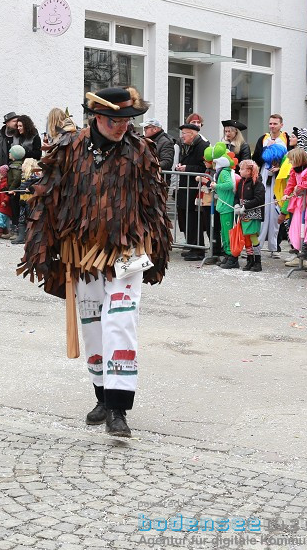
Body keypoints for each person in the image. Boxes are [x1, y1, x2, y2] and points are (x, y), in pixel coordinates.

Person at [19, 87, 171, 438]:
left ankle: (119, 407)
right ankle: (102, 394)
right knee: (91, 324)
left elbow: (155, 204)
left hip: (127, 250)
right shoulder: (70, 148)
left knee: (121, 321)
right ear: (98, 117)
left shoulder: (141, 151)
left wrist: (157, 248)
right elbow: (49, 198)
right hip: (81, 251)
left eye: (127, 121)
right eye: (116, 120)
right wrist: (44, 246)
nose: (123, 127)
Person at [252, 114, 290, 253]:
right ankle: (258, 245)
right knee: (263, 209)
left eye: (275, 123)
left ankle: (274, 246)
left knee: (275, 212)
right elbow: (256, 158)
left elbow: (290, 160)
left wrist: (280, 168)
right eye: (270, 123)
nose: (272, 126)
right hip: (264, 175)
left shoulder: (286, 139)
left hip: (279, 179)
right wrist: (265, 150)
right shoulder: (263, 139)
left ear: (281, 125)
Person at [175, 124, 210, 261]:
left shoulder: (202, 146)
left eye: (184, 133)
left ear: (192, 134)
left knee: (194, 219)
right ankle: (192, 246)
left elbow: (204, 167)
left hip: (194, 188)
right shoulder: (188, 144)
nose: (182, 136)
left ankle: (198, 249)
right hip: (186, 186)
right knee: (187, 218)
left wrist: (187, 168)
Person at [283, 148, 307, 259]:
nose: (290, 162)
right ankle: (297, 244)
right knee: (296, 222)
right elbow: (291, 183)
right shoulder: (294, 170)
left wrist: (299, 187)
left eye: (291, 160)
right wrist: (286, 193)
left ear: (297, 159)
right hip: (299, 199)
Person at [234, 159, 265, 271]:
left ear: (249, 171)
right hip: (243, 213)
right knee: (246, 237)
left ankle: (258, 261)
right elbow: (237, 196)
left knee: (252, 236)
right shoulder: (241, 182)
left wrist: (246, 206)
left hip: (253, 213)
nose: (239, 171)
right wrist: (237, 204)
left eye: (242, 169)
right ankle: (250, 260)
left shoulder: (257, 183)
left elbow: (259, 199)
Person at [212, 155, 239, 269]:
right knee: (224, 232)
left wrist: (216, 185)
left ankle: (232, 256)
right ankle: (228, 255)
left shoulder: (223, 173)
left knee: (227, 233)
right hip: (224, 206)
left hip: (227, 206)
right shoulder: (223, 172)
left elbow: (229, 185)